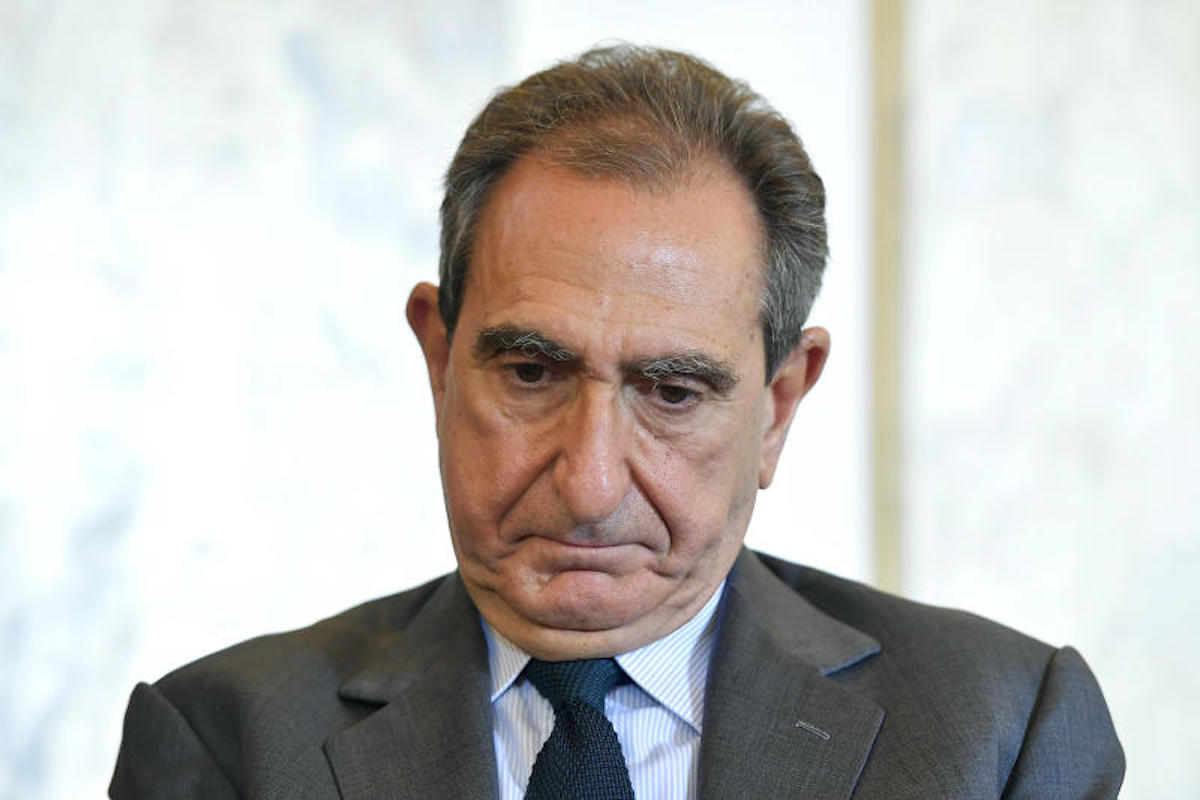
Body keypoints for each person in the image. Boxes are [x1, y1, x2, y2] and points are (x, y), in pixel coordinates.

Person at [110, 45, 1124, 799]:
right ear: (440, 361)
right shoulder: (227, 742)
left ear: (778, 405)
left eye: (673, 393)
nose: (590, 486)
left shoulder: (1001, 736)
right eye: (531, 372)